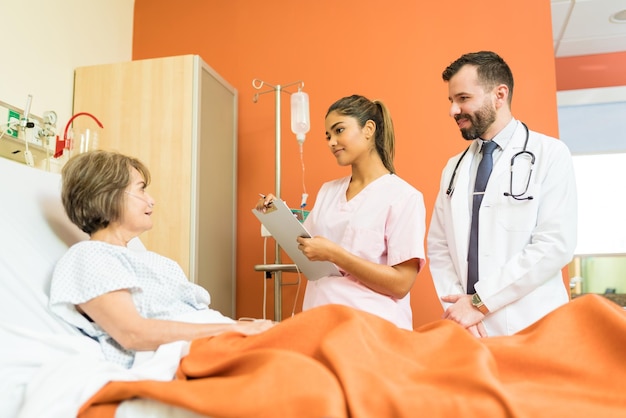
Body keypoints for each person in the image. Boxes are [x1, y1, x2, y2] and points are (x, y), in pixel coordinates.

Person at [49, 150, 273, 368]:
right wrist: (232, 330)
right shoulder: (90, 257)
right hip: (184, 356)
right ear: (108, 196)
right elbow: (133, 333)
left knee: (303, 332)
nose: (152, 200)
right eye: (141, 190)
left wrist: (245, 328)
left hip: (219, 342)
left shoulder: (157, 262)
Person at [427, 51, 577, 337]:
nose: (453, 110)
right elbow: (439, 245)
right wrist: (460, 309)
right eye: (451, 101)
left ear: (499, 94)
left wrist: (480, 303)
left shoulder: (550, 154)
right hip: (469, 329)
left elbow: (554, 244)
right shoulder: (453, 168)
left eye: (463, 98)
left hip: (532, 325)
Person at [258, 94, 426, 330]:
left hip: (371, 329)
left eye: (339, 131)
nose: (331, 142)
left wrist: (335, 254)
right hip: (319, 321)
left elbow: (400, 284)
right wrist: (278, 215)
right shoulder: (329, 191)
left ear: (368, 129)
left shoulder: (403, 197)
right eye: (327, 136)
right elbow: (308, 247)